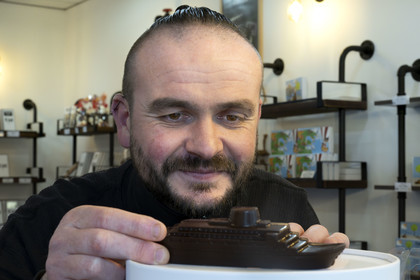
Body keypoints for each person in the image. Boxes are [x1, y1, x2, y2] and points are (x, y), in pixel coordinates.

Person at [0, 5, 349, 280]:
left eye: (232, 117)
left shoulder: (287, 207)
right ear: (124, 119)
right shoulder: (49, 221)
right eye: (174, 115)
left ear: (256, 117)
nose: (207, 147)